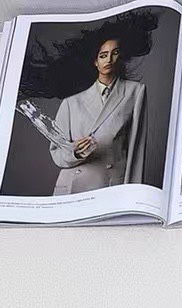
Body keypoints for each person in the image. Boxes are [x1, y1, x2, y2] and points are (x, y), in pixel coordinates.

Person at [47, 31, 147, 195]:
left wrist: (133, 193)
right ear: (94, 61)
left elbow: (137, 149)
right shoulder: (71, 101)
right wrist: (75, 152)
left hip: (111, 185)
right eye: (103, 55)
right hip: (73, 185)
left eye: (115, 53)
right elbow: (56, 151)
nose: (109, 60)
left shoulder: (135, 91)